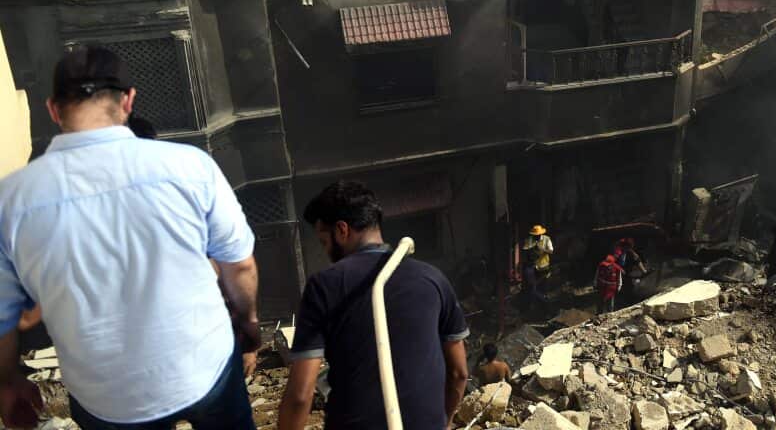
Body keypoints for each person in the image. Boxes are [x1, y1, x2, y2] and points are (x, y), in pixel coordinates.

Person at [0, 46, 260, 430]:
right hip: (204, 370)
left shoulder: (11, 200)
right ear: (128, 101)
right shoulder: (190, 167)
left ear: (53, 110)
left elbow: (3, 313)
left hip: (107, 400)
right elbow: (240, 266)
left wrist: (7, 382)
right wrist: (248, 321)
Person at [278, 181, 469, 430]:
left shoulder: (325, 286)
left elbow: (300, 396)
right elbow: (459, 373)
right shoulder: (433, 278)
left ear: (342, 230)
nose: (326, 252)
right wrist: (444, 421)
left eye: (324, 242)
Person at [518, 225, 554, 303]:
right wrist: (531, 248)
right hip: (532, 266)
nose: (536, 237)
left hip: (543, 266)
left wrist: (542, 249)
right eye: (535, 235)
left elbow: (551, 251)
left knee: (542, 285)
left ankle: (543, 300)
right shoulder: (529, 240)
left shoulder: (547, 239)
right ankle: (539, 300)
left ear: (541, 234)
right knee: (532, 286)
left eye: (537, 235)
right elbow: (525, 249)